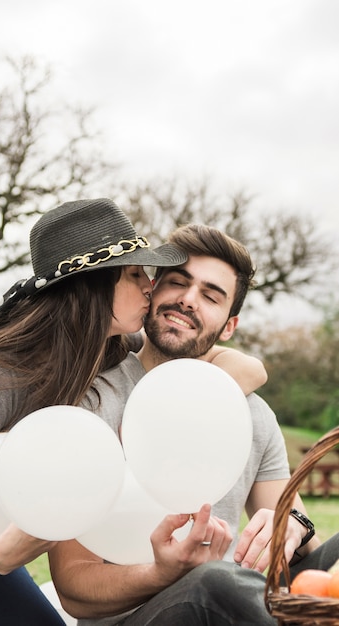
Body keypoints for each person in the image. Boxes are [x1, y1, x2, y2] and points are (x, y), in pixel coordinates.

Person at [0, 197, 191, 626]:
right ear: (94, 284)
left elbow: (218, 366)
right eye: (135, 273)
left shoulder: (105, 351)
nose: (150, 286)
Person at [49, 223, 320, 626]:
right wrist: (164, 573)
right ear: (151, 292)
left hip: (241, 607)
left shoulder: (252, 413)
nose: (189, 300)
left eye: (211, 296)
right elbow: (73, 588)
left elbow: (300, 540)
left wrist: (293, 529)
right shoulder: (91, 399)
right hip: (144, 616)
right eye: (177, 282)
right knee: (212, 582)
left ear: (229, 326)